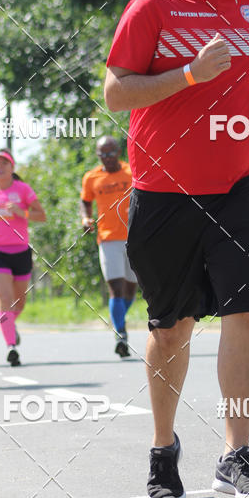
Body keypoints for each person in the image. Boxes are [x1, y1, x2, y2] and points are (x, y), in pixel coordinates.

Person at [104, 0, 249, 498]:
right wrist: (189, 75)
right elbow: (116, 93)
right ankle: (163, 447)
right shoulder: (150, 7)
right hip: (165, 194)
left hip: (238, 186)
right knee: (172, 327)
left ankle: (237, 454)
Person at [0, 150, 46, 367]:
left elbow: (41, 216)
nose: (0, 166)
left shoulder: (23, 190)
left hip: (21, 251)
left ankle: (8, 323)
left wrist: (21, 212)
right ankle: (11, 347)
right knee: (4, 300)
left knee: (18, 302)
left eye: (4, 163)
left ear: (12, 168)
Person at [80, 135, 137, 357]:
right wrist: (86, 219)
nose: (107, 158)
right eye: (102, 154)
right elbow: (85, 202)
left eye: (111, 153)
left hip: (134, 238)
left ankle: (118, 322)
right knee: (116, 289)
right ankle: (121, 335)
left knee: (131, 290)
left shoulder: (132, 172)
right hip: (108, 238)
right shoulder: (91, 177)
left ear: (119, 152)